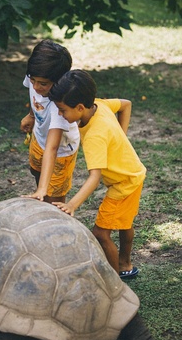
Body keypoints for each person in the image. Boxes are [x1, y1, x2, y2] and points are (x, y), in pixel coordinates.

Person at [48, 69, 146, 278]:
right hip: (133, 173)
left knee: (101, 233)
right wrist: (121, 136)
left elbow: (94, 177)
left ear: (80, 107)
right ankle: (125, 264)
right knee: (124, 222)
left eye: (62, 110)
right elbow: (126, 104)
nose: (60, 114)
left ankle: (114, 279)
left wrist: (72, 204)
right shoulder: (99, 105)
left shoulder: (95, 136)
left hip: (123, 184)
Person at [20, 40, 80, 203]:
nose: (37, 87)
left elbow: (52, 148)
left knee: (55, 201)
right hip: (39, 138)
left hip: (60, 151)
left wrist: (41, 189)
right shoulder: (36, 77)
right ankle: (43, 191)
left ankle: (51, 207)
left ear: (59, 81)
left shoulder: (60, 107)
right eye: (33, 81)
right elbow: (34, 96)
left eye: (43, 84)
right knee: (36, 171)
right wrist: (31, 115)